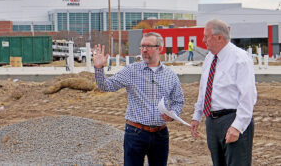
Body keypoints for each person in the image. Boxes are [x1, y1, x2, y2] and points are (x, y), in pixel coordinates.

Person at [93, 32, 185, 166]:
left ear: (159, 48)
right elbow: (106, 86)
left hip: (160, 135)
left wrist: (172, 115)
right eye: (142, 46)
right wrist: (99, 68)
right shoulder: (131, 71)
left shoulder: (170, 75)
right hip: (135, 133)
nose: (144, 50)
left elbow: (178, 101)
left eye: (148, 46)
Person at [190, 19, 257, 166]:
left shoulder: (240, 58)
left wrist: (237, 126)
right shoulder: (209, 58)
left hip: (232, 119)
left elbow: (248, 96)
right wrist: (197, 115)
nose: (203, 40)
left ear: (219, 37)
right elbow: (204, 89)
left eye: (206, 36)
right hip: (212, 122)